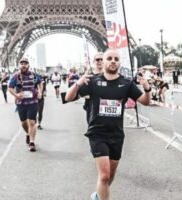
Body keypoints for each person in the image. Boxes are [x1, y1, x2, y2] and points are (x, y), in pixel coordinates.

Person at [65, 49, 151, 200]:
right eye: (109, 58)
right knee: (104, 176)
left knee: (110, 176)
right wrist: (77, 84)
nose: (112, 61)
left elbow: (145, 101)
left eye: (116, 59)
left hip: (117, 134)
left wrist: (147, 88)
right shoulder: (92, 81)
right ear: (103, 62)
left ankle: (98, 196)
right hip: (97, 133)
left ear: (119, 62)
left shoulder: (126, 83)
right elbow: (68, 97)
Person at [8, 58, 42, 152]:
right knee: (23, 123)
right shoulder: (15, 76)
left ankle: (32, 142)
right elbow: (10, 88)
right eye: (22, 63)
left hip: (33, 102)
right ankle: (28, 133)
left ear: (28, 65)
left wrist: (40, 91)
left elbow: (40, 82)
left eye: (25, 63)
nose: (23, 65)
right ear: (19, 65)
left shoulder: (34, 75)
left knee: (32, 122)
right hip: (21, 103)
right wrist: (16, 95)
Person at [83, 52, 104, 124]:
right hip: (91, 107)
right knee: (93, 130)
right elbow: (83, 93)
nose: (100, 61)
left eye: (102, 59)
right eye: (98, 59)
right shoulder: (89, 76)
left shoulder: (110, 75)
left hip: (105, 107)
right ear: (94, 61)